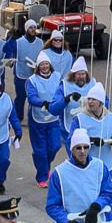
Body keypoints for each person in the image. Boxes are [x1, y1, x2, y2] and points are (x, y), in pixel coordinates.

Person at [24, 56, 69, 188]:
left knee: (55, 145)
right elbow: (31, 97)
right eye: (42, 65)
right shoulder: (32, 80)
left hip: (53, 118)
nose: (44, 67)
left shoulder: (57, 77)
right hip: (37, 119)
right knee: (40, 151)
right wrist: (43, 103)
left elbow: (63, 91)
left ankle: (44, 165)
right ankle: (42, 176)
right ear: (37, 67)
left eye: (46, 64)